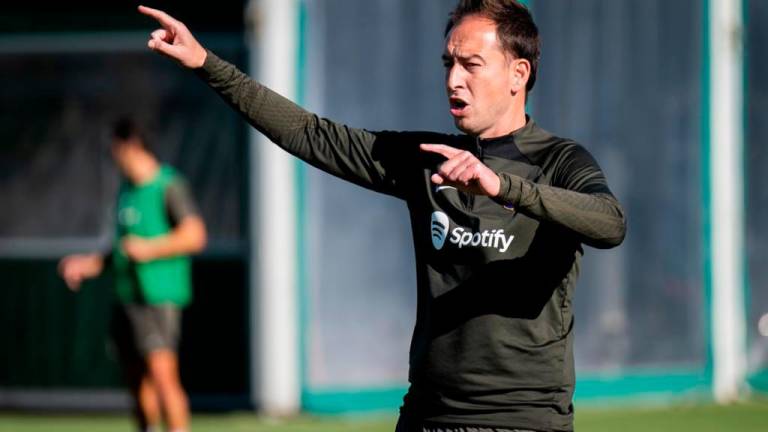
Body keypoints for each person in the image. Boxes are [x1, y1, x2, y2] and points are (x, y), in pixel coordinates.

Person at [139, 0, 626, 430]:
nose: (454, 79)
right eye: (448, 63)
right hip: (428, 414)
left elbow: (610, 223)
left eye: (471, 64)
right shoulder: (429, 159)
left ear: (519, 73)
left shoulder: (559, 161)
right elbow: (310, 134)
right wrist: (206, 63)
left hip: (520, 420)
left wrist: (503, 187)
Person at [58, 118, 207, 432]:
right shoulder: (127, 191)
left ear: (131, 147)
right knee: (135, 378)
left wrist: (150, 249)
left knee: (163, 375)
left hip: (158, 294)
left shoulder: (168, 185)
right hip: (126, 295)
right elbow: (122, 248)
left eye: (117, 152)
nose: (115, 159)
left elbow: (195, 235)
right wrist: (87, 265)